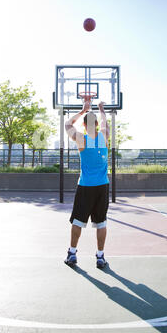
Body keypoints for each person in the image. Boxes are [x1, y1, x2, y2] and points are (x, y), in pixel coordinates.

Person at [64, 99, 110, 269]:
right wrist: (101, 109)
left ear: (83, 125)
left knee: (78, 221)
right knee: (101, 223)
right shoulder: (104, 136)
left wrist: (83, 110)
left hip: (85, 187)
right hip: (102, 187)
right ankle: (99, 257)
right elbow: (106, 123)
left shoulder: (80, 138)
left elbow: (68, 124)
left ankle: (72, 253)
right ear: (96, 124)